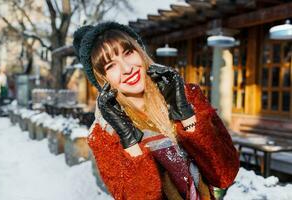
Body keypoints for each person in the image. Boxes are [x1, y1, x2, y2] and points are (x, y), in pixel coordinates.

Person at [73, 22, 239, 200]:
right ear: (102, 79)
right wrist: (129, 141)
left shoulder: (186, 96)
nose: (127, 69)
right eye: (110, 66)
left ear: (140, 51)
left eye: (128, 53)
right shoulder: (104, 134)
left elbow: (224, 175)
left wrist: (186, 115)